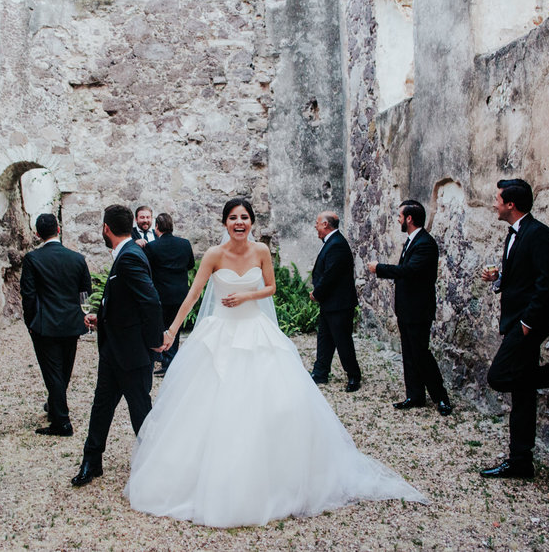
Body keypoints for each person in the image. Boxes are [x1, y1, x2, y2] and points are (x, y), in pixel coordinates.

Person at [126, 199, 427, 527]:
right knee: (209, 407)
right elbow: (193, 294)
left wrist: (246, 296)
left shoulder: (261, 252)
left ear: (251, 222)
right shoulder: (213, 255)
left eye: (244, 217)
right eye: (233, 217)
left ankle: (278, 475)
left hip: (255, 331)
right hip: (220, 335)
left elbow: (269, 287)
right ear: (225, 222)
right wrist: (171, 329)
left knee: (279, 405)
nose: (239, 222)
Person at [479, 179, 549, 479]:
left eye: (497, 199)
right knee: (522, 392)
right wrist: (497, 277)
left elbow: (546, 284)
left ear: (511, 204)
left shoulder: (539, 235)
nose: (494, 203)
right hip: (514, 321)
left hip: (527, 324)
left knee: (499, 377)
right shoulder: (514, 235)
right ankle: (521, 461)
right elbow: (520, 279)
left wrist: (526, 324)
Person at [72, 205, 164, 486]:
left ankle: (155, 464)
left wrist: (154, 343)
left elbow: (150, 301)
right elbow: (128, 302)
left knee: (140, 410)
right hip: (113, 350)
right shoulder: (126, 254)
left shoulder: (129, 257)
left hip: (133, 353)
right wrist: (100, 318)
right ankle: (92, 460)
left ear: (106, 228)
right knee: (101, 406)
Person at [366, 200, 453, 416]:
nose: (398, 219)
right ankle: (415, 395)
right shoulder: (412, 241)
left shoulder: (425, 243)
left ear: (409, 219)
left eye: (399, 216)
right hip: (406, 308)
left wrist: (380, 268)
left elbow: (409, 271)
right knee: (409, 354)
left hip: (418, 309)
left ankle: (441, 397)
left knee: (421, 354)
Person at [20, 213, 92, 437]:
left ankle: (62, 422)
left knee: (53, 372)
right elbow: (85, 292)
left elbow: (28, 295)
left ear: (38, 234)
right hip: (71, 321)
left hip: (46, 324)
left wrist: (31, 321)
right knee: (64, 369)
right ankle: (54, 406)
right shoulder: (77, 258)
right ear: (58, 230)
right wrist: (83, 314)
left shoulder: (32, 259)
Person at [309, 211, 363, 392]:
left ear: (325, 225)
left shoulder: (337, 245)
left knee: (342, 341)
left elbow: (330, 275)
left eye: (317, 223)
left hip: (339, 304)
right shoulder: (332, 242)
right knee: (324, 338)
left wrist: (317, 293)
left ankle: (354, 376)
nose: (315, 226)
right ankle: (320, 372)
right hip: (330, 303)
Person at [143, 213, 195, 375]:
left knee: (161, 326)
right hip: (180, 293)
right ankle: (171, 361)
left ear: (157, 227)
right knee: (175, 328)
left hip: (161, 294)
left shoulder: (152, 247)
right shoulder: (184, 244)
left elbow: (147, 270)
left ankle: (164, 361)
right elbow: (190, 264)